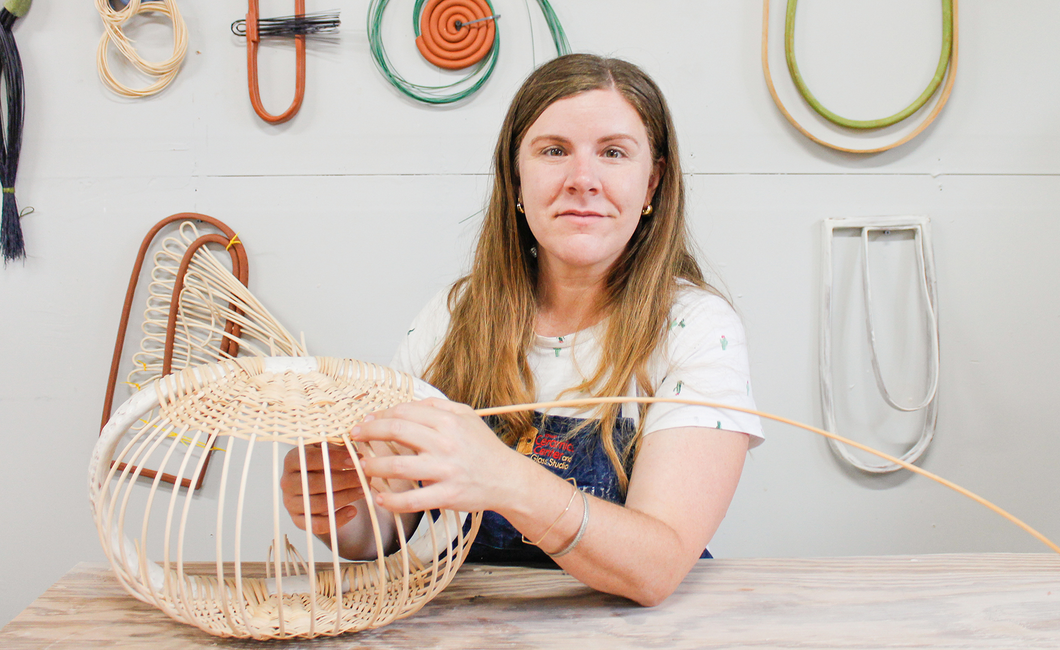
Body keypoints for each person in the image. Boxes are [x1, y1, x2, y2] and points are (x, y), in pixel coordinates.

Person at [281, 53, 763, 606]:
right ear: (516, 177)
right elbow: (389, 529)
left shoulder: (696, 328)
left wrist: (505, 478)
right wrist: (341, 512)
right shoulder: (454, 315)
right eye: (554, 151)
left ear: (652, 184)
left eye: (613, 153)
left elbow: (654, 569)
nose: (583, 179)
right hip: (473, 625)